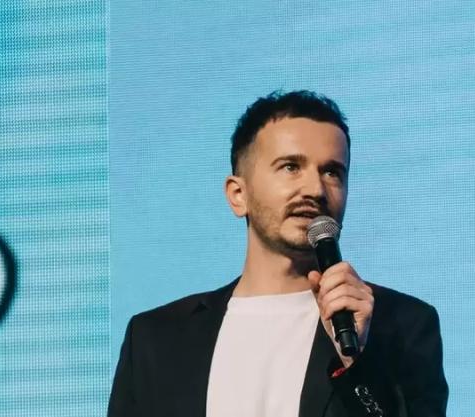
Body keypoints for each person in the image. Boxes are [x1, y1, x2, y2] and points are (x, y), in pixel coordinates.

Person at [108, 90, 448, 417]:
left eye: (332, 172)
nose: (315, 189)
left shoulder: (401, 326)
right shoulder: (157, 339)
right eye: (290, 167)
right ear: (238, 195)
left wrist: (356, 363)